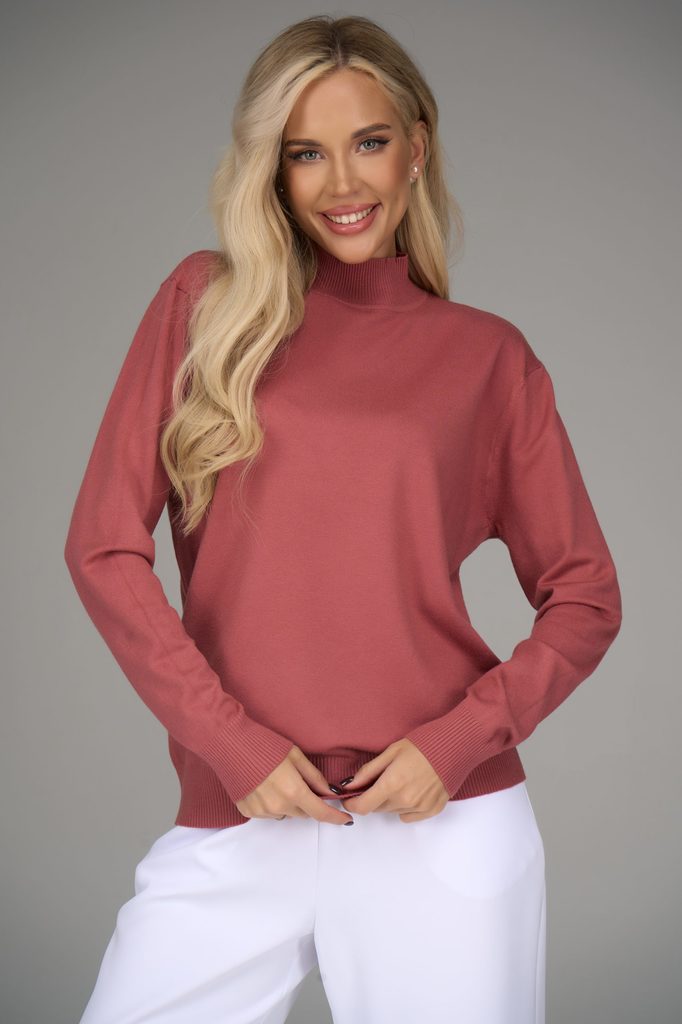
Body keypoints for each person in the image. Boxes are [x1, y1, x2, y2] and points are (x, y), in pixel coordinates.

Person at [64, 14, 622, 1024]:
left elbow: (585, 596)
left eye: (369, 141)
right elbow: (102, 549)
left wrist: (457, 742)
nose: (342, 182)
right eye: (305, 153)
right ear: (272, 171)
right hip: (240, 815)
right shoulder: (205, 306)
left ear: (417, 147)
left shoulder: (487, 357)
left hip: (442, 824)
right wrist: (230, 745)